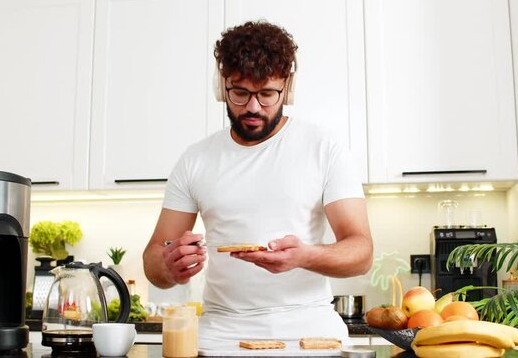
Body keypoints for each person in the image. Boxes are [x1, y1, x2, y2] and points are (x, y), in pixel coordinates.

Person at [143, 20, 373, 348]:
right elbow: (154, 258)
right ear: (222, 87)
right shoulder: (195, 160)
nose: (253, 107)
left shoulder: (324, 148)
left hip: (311, 333)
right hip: (219, 336)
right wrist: (169, 265)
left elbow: (361, 252)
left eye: (267, 94)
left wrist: (304, 256)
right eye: (240, 93)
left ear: (288, 89)